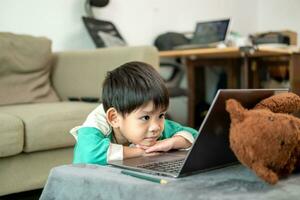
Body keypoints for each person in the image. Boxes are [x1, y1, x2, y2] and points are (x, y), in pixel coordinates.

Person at [70, 61, 198, 165]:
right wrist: (140, 152)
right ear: (114, 118)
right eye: (145, 117)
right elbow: (89, 154)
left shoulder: (154, 124)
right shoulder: (96, 125)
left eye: (161, 115)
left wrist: (172, 142)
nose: (156, 127)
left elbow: (195, 135)